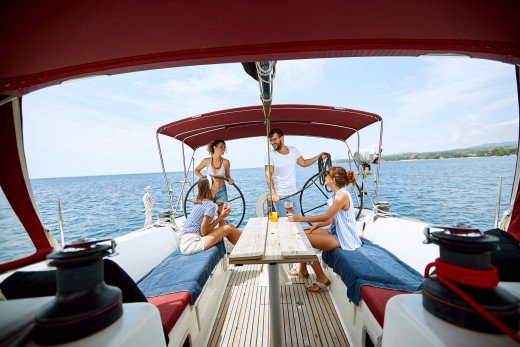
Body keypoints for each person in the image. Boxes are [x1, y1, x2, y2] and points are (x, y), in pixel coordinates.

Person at [287, 166, 361, 292]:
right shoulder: (336, 194)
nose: (324, 177)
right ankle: (303, 270)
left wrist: (299, 218)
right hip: (335, 231)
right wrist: (317, 225)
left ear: (332, 179)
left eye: (327, 175)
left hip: (344, 237)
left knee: (302, 239)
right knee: (303, 231)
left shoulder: (342, 196)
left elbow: (326, 215)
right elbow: (331, 219)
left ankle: (322, 278)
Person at [264, 128, 326, 217]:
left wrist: (318, 157)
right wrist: (273, 194)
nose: (272, 143)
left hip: (294, 194)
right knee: (283, 223)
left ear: (282, 138)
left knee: (298, 221)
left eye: (274, 139)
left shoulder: (293, 150)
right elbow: (268, 175)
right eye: (270, 141)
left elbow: (304, 163)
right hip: (280, 196)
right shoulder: (270, 155)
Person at [179, 175, 241, 255]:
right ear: (210, 187)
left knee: (228, 227)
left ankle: (245, 245)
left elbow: (206, 231)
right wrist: (221, 216)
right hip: (191, 244)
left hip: (186, 242)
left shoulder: (202, 202)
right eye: (215, 182)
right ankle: (249, 243)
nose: (218, 182)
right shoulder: (210, 205)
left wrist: (222, 218)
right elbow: (204, 232)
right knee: (228, 227)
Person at [194, 139, 234, 204]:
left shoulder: (226, 162)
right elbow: (196, 170)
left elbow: (227, 176)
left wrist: (230, 180)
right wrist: (205, 178)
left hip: (221, 190)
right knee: (208, 211)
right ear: (215, 147)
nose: (223, 149)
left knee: (220, 212)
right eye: (221, 147)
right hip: (208, 190)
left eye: (224, 147)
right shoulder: (206, 161)